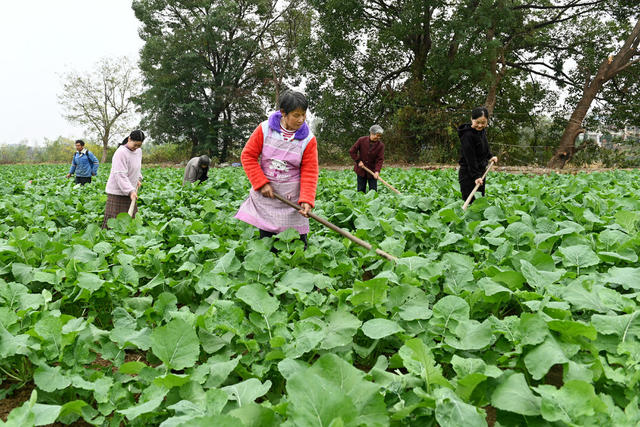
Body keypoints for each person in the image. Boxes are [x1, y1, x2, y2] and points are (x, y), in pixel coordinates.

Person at [234, 90, 319, 247]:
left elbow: (310, 172)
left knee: (298, 246)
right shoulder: (265, 129)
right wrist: (261, 183)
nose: (301, 119)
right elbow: (248, 156)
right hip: (268, 197)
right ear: (283, 113)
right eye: (296, 115)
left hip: (292, 201)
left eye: (303, 114)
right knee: (268, 244)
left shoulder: (308, 139)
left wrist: (307, 200)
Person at [101, 130, 145, 228]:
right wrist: (130, 191)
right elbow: (120, 175)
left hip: (130, 192)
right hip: (117, 192)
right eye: (135, 145)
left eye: (139, 145)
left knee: (130, 222)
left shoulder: (138, 151)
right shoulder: (121, 152)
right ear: (129, 139)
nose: (136, 148)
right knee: (115, 223)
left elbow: (136, 167)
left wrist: (138, 178)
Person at [458, 107, 498, 204]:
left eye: (483, 123)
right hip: (468, 173)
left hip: (480, 172)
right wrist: (476, 176)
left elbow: (484, 146)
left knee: (479, 201)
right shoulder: (467, 135)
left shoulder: (481, 132)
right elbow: (470, 158)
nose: (480, 125)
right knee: (470, 202)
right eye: (477, 122)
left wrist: (490, 156)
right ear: (472, 119)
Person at [349, 125, 385, 193]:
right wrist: (358, 161)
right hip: (361, 170)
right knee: (361, 190)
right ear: (371, 133)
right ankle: (361, 202)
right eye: (377, 135)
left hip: (372, 171)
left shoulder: (381, 145)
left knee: (373, 191)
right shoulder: (361, 140)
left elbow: (380, 160)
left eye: (380, 136)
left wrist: (377, 171)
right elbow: (352, 151)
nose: (378, 137)